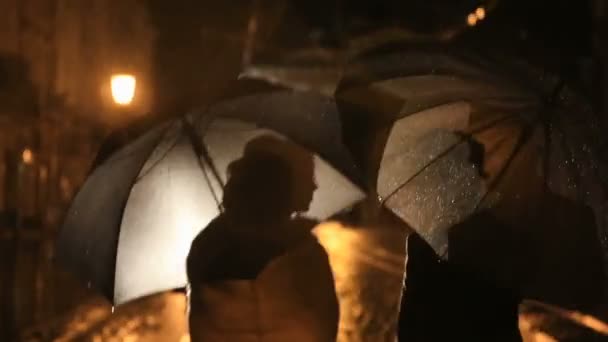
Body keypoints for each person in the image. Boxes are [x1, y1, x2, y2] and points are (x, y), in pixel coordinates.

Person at [186, 135, 339, 342]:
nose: (314, 186)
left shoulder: (205, 246)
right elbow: (322, 328)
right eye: (306, 175)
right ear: (281, 187)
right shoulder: (304, 253)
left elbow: (201, 328)